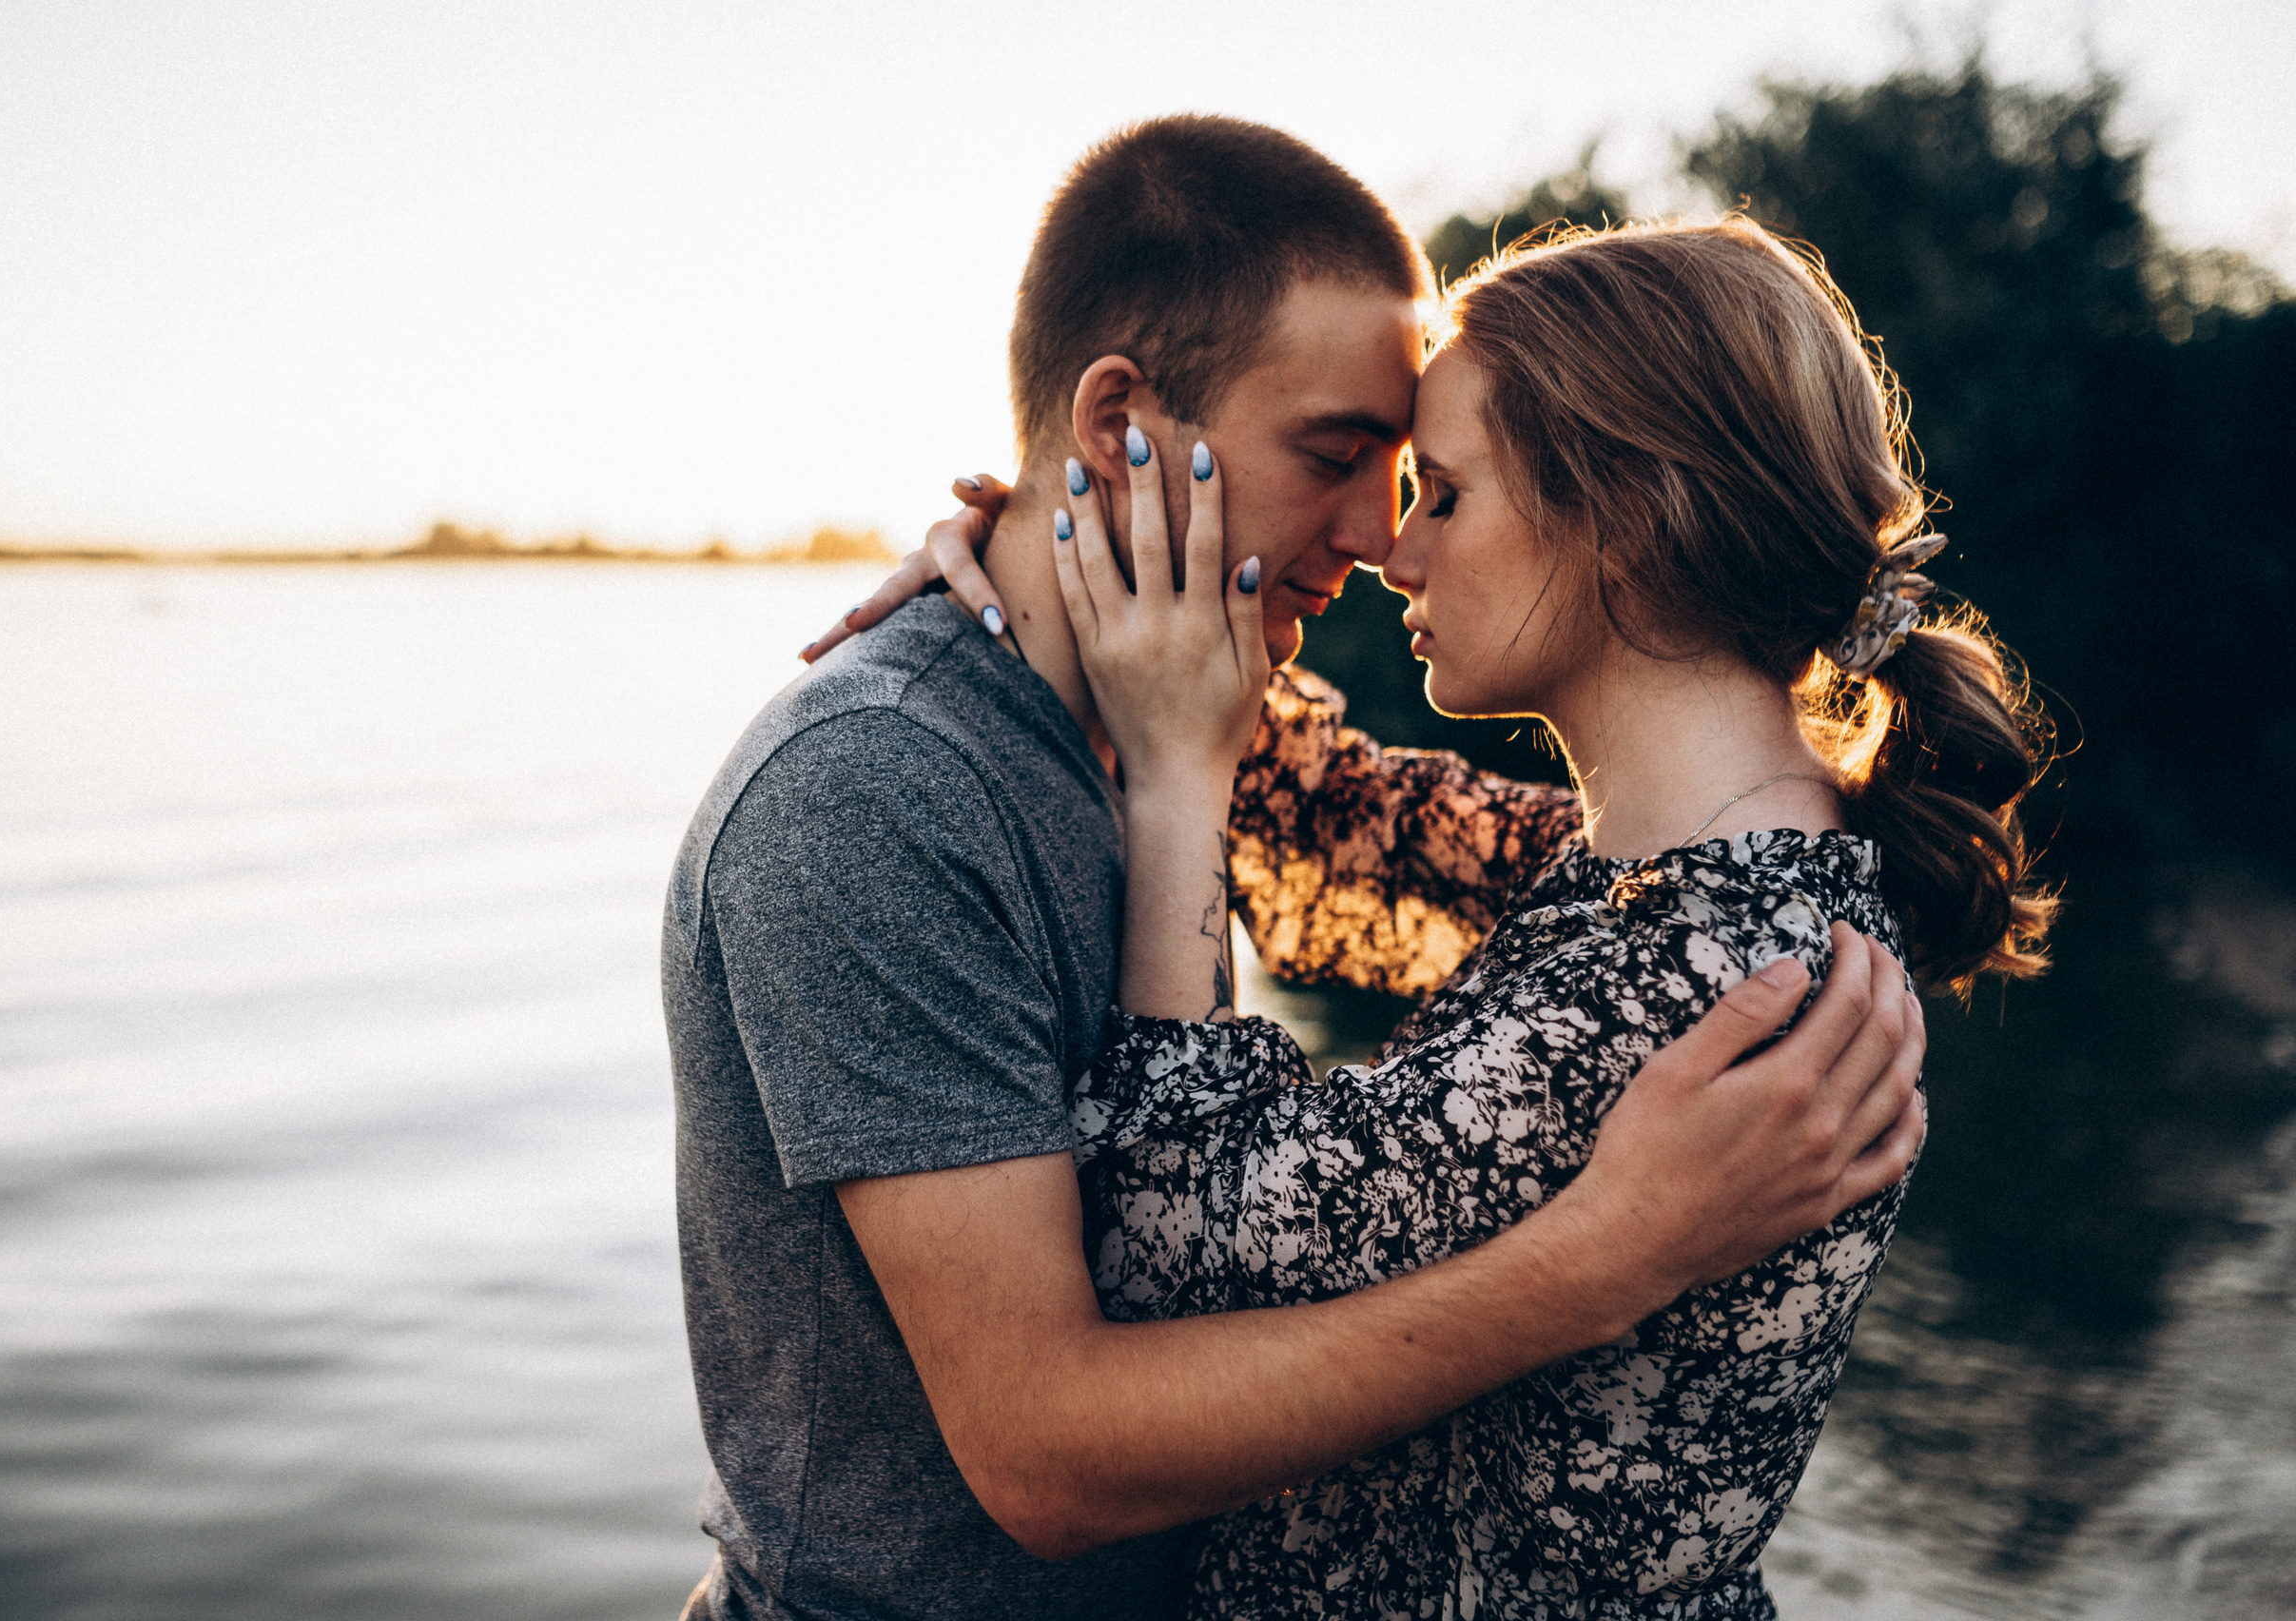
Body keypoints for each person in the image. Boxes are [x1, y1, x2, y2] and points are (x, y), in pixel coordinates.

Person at [666, 118, 1924, 1621]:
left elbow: (1538, 865)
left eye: (1421, 482)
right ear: (1120, 422)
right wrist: (1601, 1260)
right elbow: (1048, 1453)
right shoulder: (876, 793)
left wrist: (1064, 577)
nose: (1380, 539)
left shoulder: (1238, 744)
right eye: (1336, 459)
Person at [925, 217, 2050, 1616]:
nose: (1396, 548)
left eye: (1443, 495)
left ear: (1624, 516)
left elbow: (1161, 1260)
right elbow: (1346, 817)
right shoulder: (1705, 883)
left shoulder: (1694, 981)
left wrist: (1174, 786)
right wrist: (1052, 545)